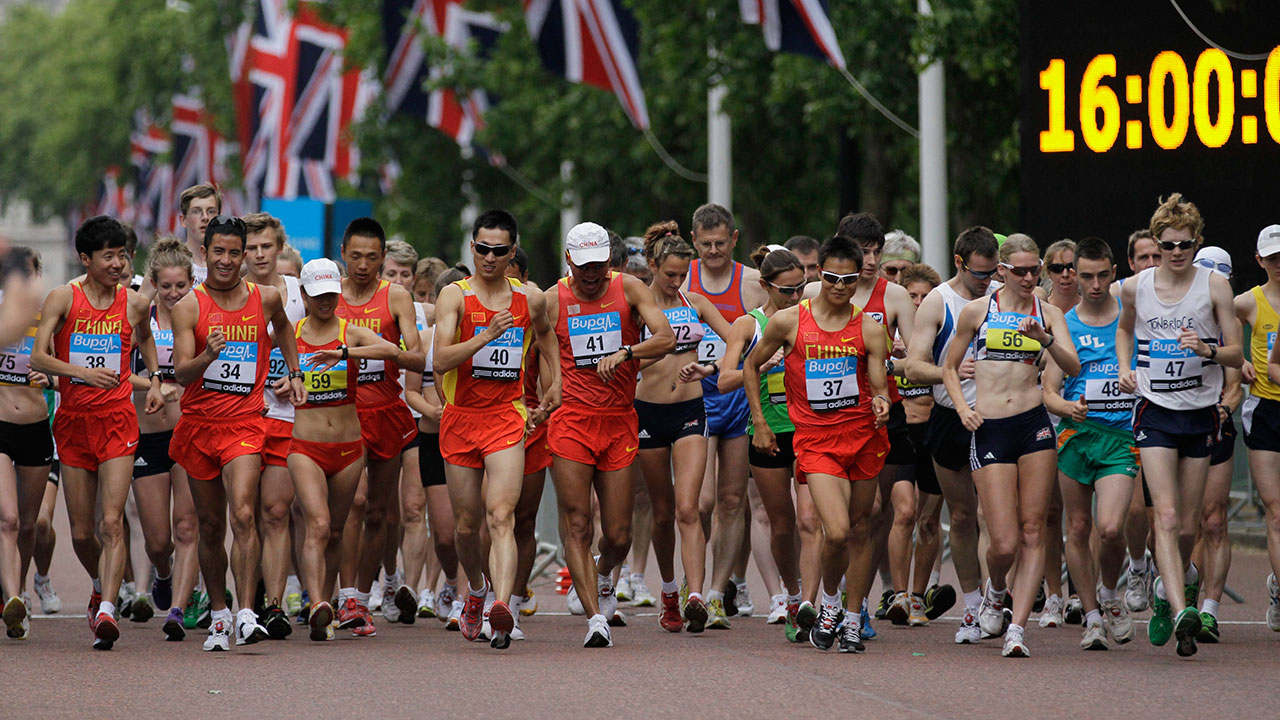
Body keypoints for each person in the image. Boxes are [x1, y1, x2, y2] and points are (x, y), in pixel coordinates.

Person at [744, 235, 891, 653]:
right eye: (831, 278)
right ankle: (828, 603)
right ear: (817, 274)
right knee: (838, 531)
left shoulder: (869, 327)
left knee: (862, 529)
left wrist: (881, 402)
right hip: (816, 440)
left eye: (848, 279)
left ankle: (852, 617)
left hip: (864, 436)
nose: (840, 286)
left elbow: (879, 383)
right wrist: (760, 423)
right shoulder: (789, 321)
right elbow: (752, 366)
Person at [170, 214, 306, 651]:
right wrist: (206, 356)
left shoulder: (265, 298)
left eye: (235, 252)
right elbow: (181, 373)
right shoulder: (189, 305)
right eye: (219, 252)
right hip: (199, 426)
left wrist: (296, 370)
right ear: (205, 253)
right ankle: (219, 613)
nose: (227, 261)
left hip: (246, 423)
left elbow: (285, 328)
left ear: (244, 254)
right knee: (210, 525)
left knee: (244, 513)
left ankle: (247, 612)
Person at [31, 216, 166, 649]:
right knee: (82, 533)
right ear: (85, 258)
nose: (117, 263)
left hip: (117, 422)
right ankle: (97, 585)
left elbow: (145, 339)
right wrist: (80, 374)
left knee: (113, 521)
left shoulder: (134, 303)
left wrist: (158, 378)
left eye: (122, 255)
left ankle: (108, 610)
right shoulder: (62, 298)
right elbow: (38, 358)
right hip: (72, 423)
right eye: (107, 256)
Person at [1117, 193, 1242, 658]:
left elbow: (1236, 352)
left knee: (1188, 526)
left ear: (1196, 243)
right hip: (1155, 411)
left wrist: (1207, 350)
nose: (1175, 253)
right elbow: (1124, 328)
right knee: (1164, 517)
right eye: (1167, 245)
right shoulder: (1137, 286)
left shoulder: (1214, 287)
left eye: (1184, 245)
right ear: (1156, 242)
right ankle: (1180, 606)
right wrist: (1125, 365)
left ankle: (1167, 597)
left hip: (1201, 413)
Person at [944, 233, 1079, 658]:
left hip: (1033, 425)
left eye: (1034, 269)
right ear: (1001, 270)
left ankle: (1017, 628)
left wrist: (1045, 339)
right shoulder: (978, 310)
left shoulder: (1050, 312)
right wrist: (963, 408)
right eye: (1018, 270)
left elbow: (1072, 365)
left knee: (1034, 528)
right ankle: (995, 591)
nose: (1027, 277)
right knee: (1002, 542)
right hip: (990, 427)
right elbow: (948, 366)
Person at [433, 210, 560, 649]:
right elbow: (440, 361)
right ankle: (477, 589)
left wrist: (555, 382)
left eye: (499, 250)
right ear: (472, 248)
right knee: (465, 529)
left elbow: (547, 338)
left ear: (512, 251)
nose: (489, 257)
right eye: (482, 249)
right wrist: (484, 337)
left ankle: (501, 608)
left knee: (501, 515)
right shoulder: (454, 296)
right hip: (461, 416)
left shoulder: (530, 298)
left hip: (507, 417)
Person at [546, 221, 675, 648]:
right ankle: (594, 619)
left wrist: (626, 352)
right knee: (578, 521)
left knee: (618, 534)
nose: (591, 274)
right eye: (583, 266)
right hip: (571, 422)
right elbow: (532, 348)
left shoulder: (629, 290)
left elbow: (666, 338)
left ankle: (602, 573)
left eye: (599, 265)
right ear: (569, 261)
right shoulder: (552, 299)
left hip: (619, 419)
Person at [288, 258, 407, 641]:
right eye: (318, 295)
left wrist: (344, 355)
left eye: (331, 295)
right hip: (306, 445)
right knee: (318, 524)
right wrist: (282, 383)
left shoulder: (349, 333)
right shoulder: (290, 334)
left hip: (348, 449)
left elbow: (391, 349)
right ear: (304, 295)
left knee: (337, 531)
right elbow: (269, 372)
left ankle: (333, 603)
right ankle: (319, 602)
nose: (326, 302)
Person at [698, 246, 809, 639]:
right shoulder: (750, 324)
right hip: (767, 431)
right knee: (781, 523)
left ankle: (816, 604)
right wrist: (760, 365)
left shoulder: (810, 317)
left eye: (801, 289)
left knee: (813, 521)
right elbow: (726, 378)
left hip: (811, 430)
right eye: (786, 291)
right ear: (765, 286)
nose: (795, 298)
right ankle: (790, 596)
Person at [624, 222, 731, 633]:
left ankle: (696, 596)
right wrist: (652, 354)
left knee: (690, 508)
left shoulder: (697, 303)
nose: (676, 282)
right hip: (647, 413)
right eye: (670, 274)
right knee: (662, 511)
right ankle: (668, 588)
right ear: (652, 265)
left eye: (683, 274)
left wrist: (707, 366)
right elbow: (624, 361)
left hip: (690, 411)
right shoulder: (635, 307)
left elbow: (733, 348)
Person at [1042, 237, 1139, 650]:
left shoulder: (1130, 320)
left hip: (1120, 436)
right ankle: (1092, 615)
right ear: (1075, 277)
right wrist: (1066, 407)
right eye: (1086, 276)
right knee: (1078, 527)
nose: (1094, 285)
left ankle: (1110, 593)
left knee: (1112, 528)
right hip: (1077, 437)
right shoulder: (1065, 325)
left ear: (1114, 273)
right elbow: (1048, 391)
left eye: (1102, 275)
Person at [904, 226, 999, 645]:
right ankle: (974, 603)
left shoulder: (1005, 296)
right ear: (960, 263)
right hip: (949, 419)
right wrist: (948, 370)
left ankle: (995, 600)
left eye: (992, 271)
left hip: (997, 419)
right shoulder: (938, 302)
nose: (986, 280)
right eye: (979, 273)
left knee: (990, 517)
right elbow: (912, 366)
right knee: (961, 517)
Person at [332, 218, 424, 637]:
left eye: (372, 257)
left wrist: (385, 350)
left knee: (378, 514)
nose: (364, 265)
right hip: (343, 414)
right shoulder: (327, 296)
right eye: (356, 257)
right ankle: (345, 594)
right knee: (352, 504)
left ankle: (362, 598)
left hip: (387, 411)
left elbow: (417, 358)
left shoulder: (397, 296)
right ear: (343, 254)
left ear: (383, 258)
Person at [682, 203, 768, 628]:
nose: (713, 250)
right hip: (695, 399)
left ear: (734, 240)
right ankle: (692, 581)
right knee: (701, 502)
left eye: (721, 243)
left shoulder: (751, 283)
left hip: (735, 399)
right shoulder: (686, 281)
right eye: (706, 244)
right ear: (694, 241)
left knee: (733, 500)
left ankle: (717, 593)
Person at [126, 238, 198, 641]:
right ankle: (164, 573)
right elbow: (118, 372)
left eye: (181, 286)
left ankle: (177, 610)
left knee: (187, 527)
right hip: (148, 438)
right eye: (166, 286)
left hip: (189, 434)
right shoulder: (141, 321)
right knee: (158, 540)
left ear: (192, 283)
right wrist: (154, 385)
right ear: (154, 284)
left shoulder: (199, 318)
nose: (173, 294)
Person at [241, 212, 306, 637]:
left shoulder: (303, 292)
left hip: (287, 416)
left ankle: (275, 606)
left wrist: (297, 375)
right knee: (244, 516)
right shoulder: (231, 295)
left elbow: (324, 344)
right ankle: (242, 605)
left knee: (277, 512)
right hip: (242, 418)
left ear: (279, 246)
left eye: (266, 246)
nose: (260, 254)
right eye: (251, 248)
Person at [893, 263, 953, 626]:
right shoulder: (893, 335)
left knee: (929, 521)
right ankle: (897, 595)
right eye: (912, 296)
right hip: (902, 431)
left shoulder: (942, 334)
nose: (917, 302)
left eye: (924, 297)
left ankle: (918, 596)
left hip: (935, 430)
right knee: (902, 512)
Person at [0, 247, 53, 640]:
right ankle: (13, 600)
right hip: (0, 424)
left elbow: (66, 364)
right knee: (9, 519)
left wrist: (50, 378)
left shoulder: (48, 315)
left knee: (30, 526)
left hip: (36, 426)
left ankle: (19, 586)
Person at [1189, 246, 1241, 644]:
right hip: (1176, 426)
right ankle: (1183, 586)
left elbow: (1236, 384)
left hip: (1216, 425)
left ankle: (1210, 610)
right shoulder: (1176, 316)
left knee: (1214, 519)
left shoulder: (1228, 324)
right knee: (1178, 524)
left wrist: (1224, 408)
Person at [504, 248, 553, 631]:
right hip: (484, 421)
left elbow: (551, 368)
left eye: (513, 274)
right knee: (485, 518)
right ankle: (481, 593)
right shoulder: (469, 305)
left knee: (523, 520)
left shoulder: (533, 313)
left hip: (529, 425)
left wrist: (543, 410)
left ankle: (513, 603)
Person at [1036, 238, 1078, 627]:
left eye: (1071, 267)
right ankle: (1053, 594)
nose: (1066, 274)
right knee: (1050, 512)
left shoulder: (1094, 308)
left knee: (1083, 517)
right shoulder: (1036, 308)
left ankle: (1084, 592)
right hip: (1044, 416)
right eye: (1057, 268)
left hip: (1085, 418)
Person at [1241, 225, 1280, 632]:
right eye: (1272, 258)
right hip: (1265, 409)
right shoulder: (1248, 302)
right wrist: (1237, 365)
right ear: (1259, 261)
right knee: (1275, 512)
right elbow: (1215, 324)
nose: (1279, 264)